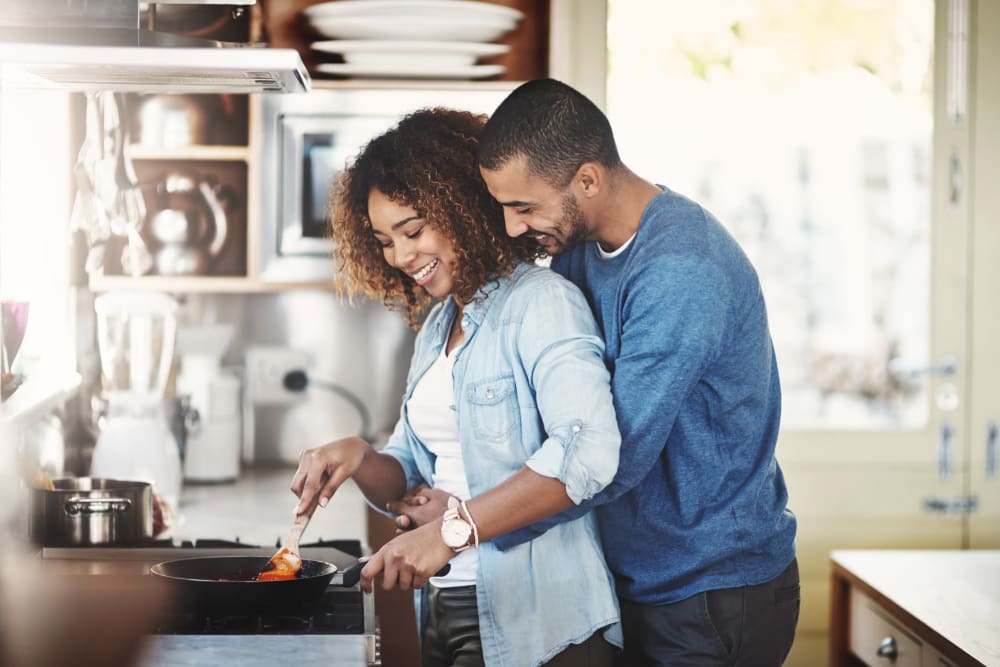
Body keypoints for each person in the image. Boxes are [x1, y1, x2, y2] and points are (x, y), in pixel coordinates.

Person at [385, 79, 800, 666]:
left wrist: (467, 519)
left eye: (524, 207)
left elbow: (610, 456)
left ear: (587, 179)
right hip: (636, 578)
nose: (510, 227)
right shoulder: (577, 248)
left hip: (709, 590)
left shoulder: (682, 270)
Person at [289, 107, 622, 667]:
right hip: (447, 607)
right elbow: (409, 475)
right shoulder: (440, 325)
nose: (400, 256)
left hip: (537, 620)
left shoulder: (541, 303)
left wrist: (454, 527)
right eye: (384, 240)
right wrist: (359, 456)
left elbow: (587, 452)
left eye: (413, 230)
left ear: (463, 208)